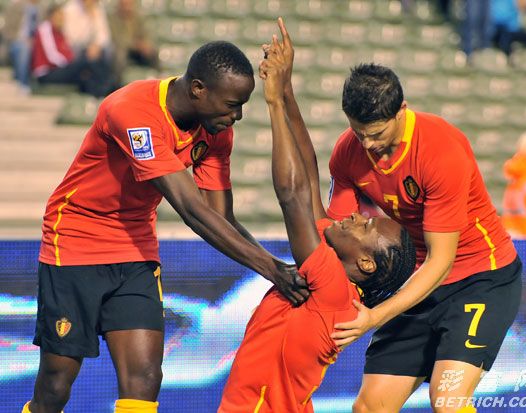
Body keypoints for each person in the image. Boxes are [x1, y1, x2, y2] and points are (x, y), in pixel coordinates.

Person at [21, 40, 309, 413]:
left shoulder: (216, 130)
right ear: (198, 89)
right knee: (56, 385)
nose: (237, 116)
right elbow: (190, 209)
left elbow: (220, 216)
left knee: (145, 378)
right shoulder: (132, 111)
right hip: (75, 242)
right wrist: (272, 269)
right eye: (232, 105)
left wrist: (278, 267)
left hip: (135, 247)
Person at [218, 19, 416, 413]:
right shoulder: (337, 277)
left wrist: (274, 104)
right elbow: (309, 177)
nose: (356, 216)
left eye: (366, 225)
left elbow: (292, 195)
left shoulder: (332, 287)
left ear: (365, 262)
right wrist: (286, 88)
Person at [324, 63, 522, 411]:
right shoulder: (347, 151)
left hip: (481, 279)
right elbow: (337, 235)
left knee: (447, 402)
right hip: (418, 280)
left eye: (376, 133)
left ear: (401, 110)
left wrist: (376, 316)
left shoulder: (440, 150)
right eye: (358, 132)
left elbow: (441, 260)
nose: (367, 144)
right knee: (368, 408)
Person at [31, 3, 114, 97]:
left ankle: (100, 95)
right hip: (47, 73)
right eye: (58, 16)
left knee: (86, 76)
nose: (61, 19)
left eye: (62, 17)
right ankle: (110, 86)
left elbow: (68, 52)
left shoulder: (59, 32)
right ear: (51, 17)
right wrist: (71, 65)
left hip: (60, 69)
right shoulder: (45, 29)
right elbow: (52, 56)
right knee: (86, 61)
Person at [108, 0, 159, 87]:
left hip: (138, 51)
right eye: (124, 4)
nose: (127, 7)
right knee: (120, 55)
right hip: (123, 50)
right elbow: (118, 39)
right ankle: (117, 85)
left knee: (152, 51)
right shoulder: (112, 19)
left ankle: (158, 81)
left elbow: (145, 34)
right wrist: (135, 45)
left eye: (129, 4)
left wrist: (145, 44)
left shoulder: (138, 18)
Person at [3, 0, 41, 93]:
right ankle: (24, 84)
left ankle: (39, 81)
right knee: (23, 49)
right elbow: (7, 30)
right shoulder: (16, 7)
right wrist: (20, 39)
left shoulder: (41, 8)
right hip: (17, 40)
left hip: (37, 41)